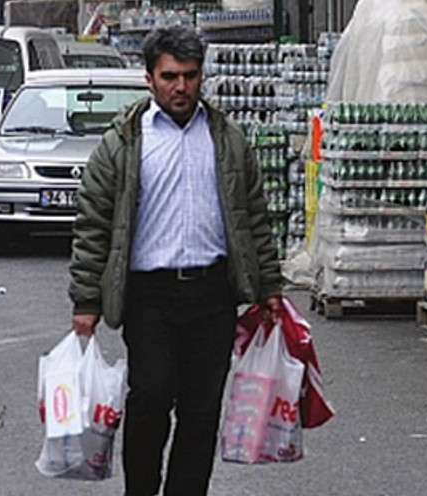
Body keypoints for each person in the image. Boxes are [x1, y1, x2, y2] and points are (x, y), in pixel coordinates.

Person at [68, 25, 284, 496]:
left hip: (212, 293)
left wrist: (268, 289)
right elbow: (94, 223)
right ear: (149, 79)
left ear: (202, 75)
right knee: (151, 394)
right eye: (169, 76)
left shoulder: (227, 139)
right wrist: (86, 300)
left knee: (202, 407)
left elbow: (254, 218)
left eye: (189, 75)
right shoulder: (123, 143)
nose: (181, 87)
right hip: (150, 295)